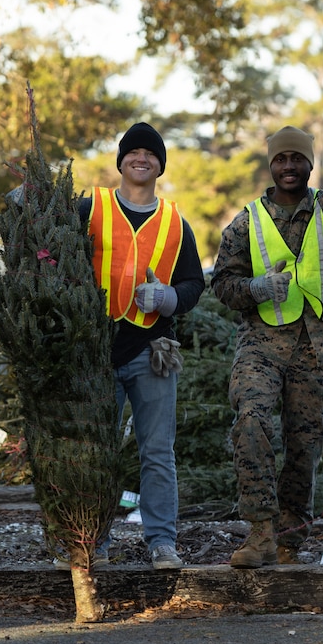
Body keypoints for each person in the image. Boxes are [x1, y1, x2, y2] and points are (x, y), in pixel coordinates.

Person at [210, 125, 323, 568]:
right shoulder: (248, 220)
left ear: (310, 164)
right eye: (281, 159)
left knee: (305, 446)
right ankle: (261, 532)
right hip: (261, 344)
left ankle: (291, 538)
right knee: (251, 420)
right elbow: (222, 284)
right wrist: (254, 287)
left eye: (297, 158)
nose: (289, 166)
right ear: (271, 166)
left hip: (315, 347)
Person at [79, 122, 206, 569]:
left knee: (157, 450)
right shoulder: (89, 207)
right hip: (93, 349)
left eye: (150, 153)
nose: (141, 158)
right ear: (120, 162)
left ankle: (162, 542)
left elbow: (195, 283)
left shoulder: (174, 221)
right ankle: (90, 541)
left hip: (153, 349)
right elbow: (51, 255)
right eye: (133, 152)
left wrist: (168, 297)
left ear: (159, 165)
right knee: (94, 449)